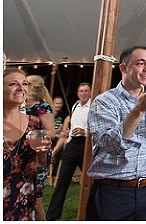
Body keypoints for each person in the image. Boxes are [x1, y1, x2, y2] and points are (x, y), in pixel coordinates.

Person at [85, 46, 146, 220]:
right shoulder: (105, 102)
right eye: (140, 63)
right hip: (113, 192)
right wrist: (138, 110)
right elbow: (110, 144)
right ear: (123, 68)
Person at [4, 69, 52, 221]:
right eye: (13, 84)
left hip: (21, 197)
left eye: (24, 83)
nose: (21, 87)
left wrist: (42, 152)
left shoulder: (34, 123)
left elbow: (39, 166)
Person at [45, 82, 91, 221]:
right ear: (77, 93)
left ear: (90, 92)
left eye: (86, 91)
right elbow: (72, 125)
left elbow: (98, 129)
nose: (83, 93)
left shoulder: (93, 107)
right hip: (72, 145)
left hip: (85, 145)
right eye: (81, 91)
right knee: (62, 180)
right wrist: (68, 133)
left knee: (90, 182)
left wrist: (85, 132)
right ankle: (52, 215)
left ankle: (90, 213)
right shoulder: (75, 105)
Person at [24, 74, 55, 220]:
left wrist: (33, 135)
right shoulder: (20, 106)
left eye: (25, 84)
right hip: (20, 155)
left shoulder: (43, 107)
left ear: (32, 87)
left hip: (37, 156)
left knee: (36, 201)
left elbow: (51, 132)